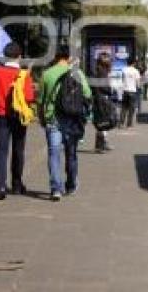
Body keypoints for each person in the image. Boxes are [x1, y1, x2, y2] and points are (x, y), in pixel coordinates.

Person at [39, 45, 91, 201]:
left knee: (54, 154)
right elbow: (87, 94)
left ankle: (56, 189)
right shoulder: (77, 73)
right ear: (69, 57)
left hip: (52, 119)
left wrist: (42, 118)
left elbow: (41, 100)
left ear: (55, 57)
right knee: (71, 153)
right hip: (72, 119)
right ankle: (71, 184)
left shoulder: (47, 74)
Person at [0, 42, 35, 200]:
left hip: (1, 114)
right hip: (19, 116)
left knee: (1, 151)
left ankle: (0, 186)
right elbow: (29, 98)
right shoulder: (24, 75)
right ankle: (16, 184)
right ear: (19, 56)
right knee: (18, 150)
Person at [93, 53, 115, 152]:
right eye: (109, 60)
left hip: (100, 99)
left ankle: (103, 144)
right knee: (103, 122)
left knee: (102, 122)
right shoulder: (101, 72)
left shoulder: (100, 71)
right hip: (102, 100)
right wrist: (110, 90)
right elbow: (103, 87)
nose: (111, 62)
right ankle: (100, 146)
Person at [120, 56, 141, 128]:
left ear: (127, 63)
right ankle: (129, 124)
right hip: (133, 91)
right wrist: (138, 88)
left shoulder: (124, 70)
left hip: (125, 90)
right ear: (134, 63)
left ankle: (121, 123)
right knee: (131, 109)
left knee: (124, 108)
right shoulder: (136, 71)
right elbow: (138, 83)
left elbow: (122, 80)